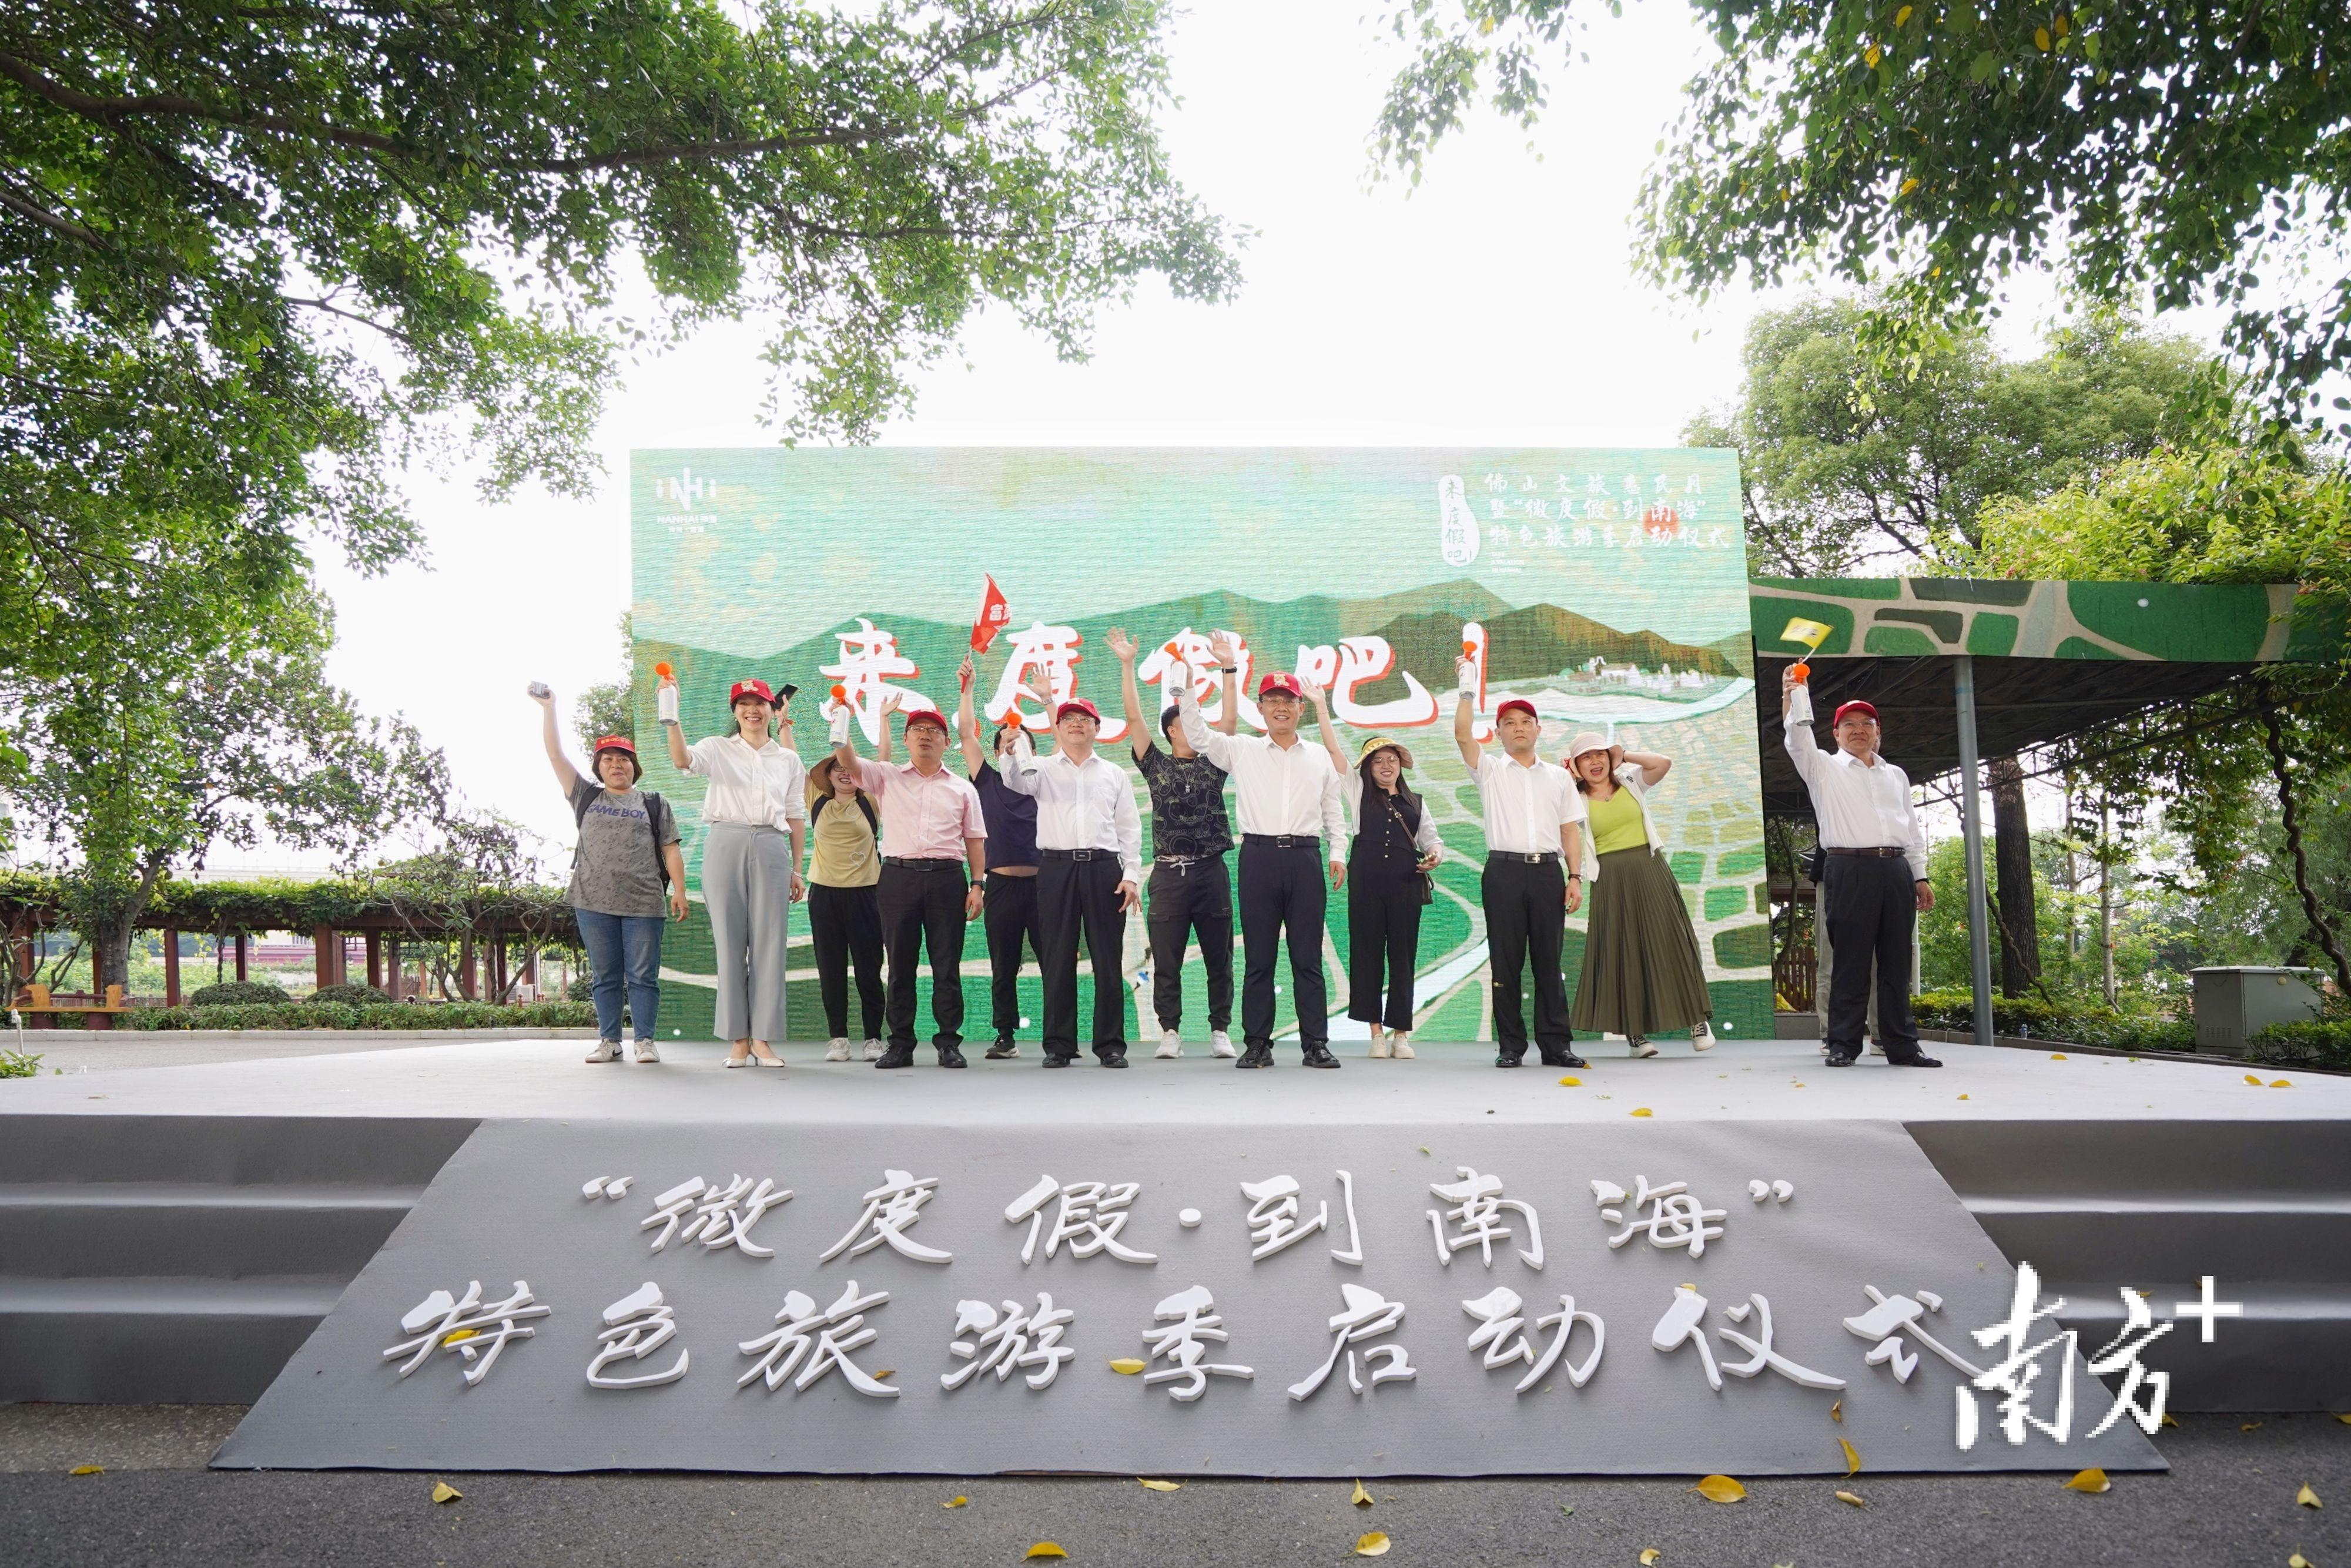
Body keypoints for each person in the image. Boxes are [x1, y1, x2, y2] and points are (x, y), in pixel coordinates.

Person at [1173, 636, 1347, 1070]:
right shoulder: (1242, 749)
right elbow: (1196, 733)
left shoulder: (1320, 758)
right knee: (1259, 958)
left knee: (1307, 957)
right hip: (1259, 859)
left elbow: (1333, 810)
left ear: (1300, 708)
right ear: (1262, 708)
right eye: (1271, 700)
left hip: (1306, 858)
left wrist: (1338, 851)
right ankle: (1257, 1044)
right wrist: (1196, 684)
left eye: (1288, 701)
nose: (1281, 708)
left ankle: (1316, 1045)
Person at [1780, 669, 1942, 1068]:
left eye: (1866, 724)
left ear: (1878, 733)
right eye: (1848, 725)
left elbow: (1911, 827)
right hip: (1847, 868)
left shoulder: (1896, 775)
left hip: (1896, 870)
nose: (1858, 730)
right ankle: (1843, 1044)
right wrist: (1794, 692)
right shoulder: (1821, 767)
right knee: (1850, 961)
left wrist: (1919, 875)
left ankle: (1902, 1046)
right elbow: (1796, 737)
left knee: (1896, 962)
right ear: (1835, 735)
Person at [832, 693, 988, 1068]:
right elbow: (848, 762)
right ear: (905, 739)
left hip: (948, 879)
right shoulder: (886, 777)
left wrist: (978, 884)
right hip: (898, 877)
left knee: (946, 965)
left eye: (934, 731)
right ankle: (900, 1043)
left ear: (946, 743)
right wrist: (843, 722)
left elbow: (975, 839)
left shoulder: (963, 788)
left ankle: (948, 1043)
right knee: (900, 965)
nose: (925, 735)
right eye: (917, 729)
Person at [658, 672, 806, 1068]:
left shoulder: (788, 759)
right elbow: (681, 759)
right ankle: (738, 1040)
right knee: (729, 944)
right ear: (736, 712)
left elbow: (795, 816)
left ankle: (763, 1039)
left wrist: (798, 869)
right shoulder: (717, 748)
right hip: (726, 842)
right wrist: (672, 716)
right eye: (744, 704)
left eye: (759, 703)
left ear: (773, 710)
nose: (752, 710)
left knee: (769, 946)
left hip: (773, 847)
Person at [1105, 628, 1240, 1060]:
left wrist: (1227, 668)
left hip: (1210, 871)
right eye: (1183, 720)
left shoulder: (1215, 761)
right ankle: (1170, 1031)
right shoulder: (1155, 764)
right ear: (1170, 730)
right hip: (1168, 874)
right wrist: (1127, 664)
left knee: (1220, 956)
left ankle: (1220, 1029)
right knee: (1167, 960)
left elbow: (1232, 722)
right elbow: (1132, 718)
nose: (1194, 726)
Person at [533, 689, 685, 1063]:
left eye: (624, 760)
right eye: (609, 760)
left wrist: (679, 890)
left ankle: (645, 1041)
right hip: (592, 902)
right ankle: (610, 1040)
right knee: (606, 977)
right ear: (599, 768)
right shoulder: (585, 796)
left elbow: (670, 848)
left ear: (635, 767)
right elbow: (556, 755)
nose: (617, 765)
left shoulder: (653, 802)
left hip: (644, 902)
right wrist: (551, 708)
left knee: (643, 977)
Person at [1454, 658, 1588, 1070]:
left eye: (1525, 721)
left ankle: (1556, 1046)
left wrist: (1576, 877)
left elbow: (1570, 830)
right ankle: (1511, 1046)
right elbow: (1461, 736)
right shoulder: (1490, 770)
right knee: (1506, 962)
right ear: (1498, 733)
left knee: (1549, 962)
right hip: (1504, 873)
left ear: (1538, 729)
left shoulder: (1560, 777)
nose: (1517, 728)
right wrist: (1465, 686)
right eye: (1508, 723)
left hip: (1549, 872)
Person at [997, 696, 1143, 1067]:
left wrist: (1130, 877)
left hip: (1103, 869)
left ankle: (1110, 1045)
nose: (1076, 724)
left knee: (1108, 959)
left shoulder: (1114, 773)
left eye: (1084, 719)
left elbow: (1129, 829)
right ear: (1058, 728)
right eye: (1068, 719)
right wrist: (1012, 751)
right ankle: (1059, 1046)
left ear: (1097, 728)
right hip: (1057, 868)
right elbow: (1013, 783)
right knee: (1058, 957)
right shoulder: (1041, 768)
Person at [1562, 733, 1716, 1058]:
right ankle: (1635, 1034)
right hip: (1609, 878)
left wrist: (1623, 754)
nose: (1595, 762)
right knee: (1622, 949)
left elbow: (1663, 763)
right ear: (1575, 766)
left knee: (1672, 941)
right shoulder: (1572, 799)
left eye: (1600, 755)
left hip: (1649, 867)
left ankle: (1697, 1021)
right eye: (1585, 757)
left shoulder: (1631, 781)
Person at [1307, 703, 1444, 1060]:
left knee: (1403, 956)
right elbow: (1335, 751)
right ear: (1367, 767)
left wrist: (1435, 857)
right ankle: (1376, 1034)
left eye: (1392, 759)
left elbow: (1433, 839)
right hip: (1366, 883)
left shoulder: (1416, 801)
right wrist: (1322, 707)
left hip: (1406, 883)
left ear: (1401, 765)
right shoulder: (1357, 790)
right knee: (1366, 955)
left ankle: (1401, 1034)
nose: (1386, 765)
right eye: (1378, 760)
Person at [956, 655, 1043, 1061]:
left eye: (1021, 741)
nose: (1013, 745)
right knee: (1003, 965)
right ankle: (1005, 1035)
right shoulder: (986, 781)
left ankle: (1061, 1033)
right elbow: (965, 732)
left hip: (1046, 886)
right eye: (1007, 742)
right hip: (1003, 887)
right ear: (995, 751)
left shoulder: (1046, 785)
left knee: (1055, 961)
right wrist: (968, 690)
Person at [804, 755, 886, 1063]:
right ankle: (838, 1038)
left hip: (866, 894)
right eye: (837, 768)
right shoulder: (816, 800)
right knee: (831, 969)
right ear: (827, 775)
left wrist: (881, 717)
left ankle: (873, 1038)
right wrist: (784, 725)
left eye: (849, 768)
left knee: (869, 970)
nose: (844, 773)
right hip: (824, 896)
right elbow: (791, 758)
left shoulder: (871, 802)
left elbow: (884, 759)